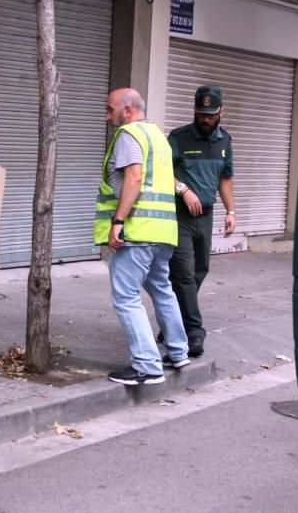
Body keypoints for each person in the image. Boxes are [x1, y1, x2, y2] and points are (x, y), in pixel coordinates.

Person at [95, 88, 190, 386]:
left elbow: (134, 178)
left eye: (110, 110)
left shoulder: (129, 135)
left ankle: (147, 366)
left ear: (127, 110)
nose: (107, 115)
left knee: (125, 296)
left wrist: (118, 221)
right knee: (162, 288)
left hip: (137, 232)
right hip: (163, 232)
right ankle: (178, 351)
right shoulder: (157, 136)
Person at [165, 85, 236, 358]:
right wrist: (183, 189)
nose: (205, 120)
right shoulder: (178, 138)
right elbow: (162, 172)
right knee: (183, 273)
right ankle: (194, 332)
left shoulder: (225, 141)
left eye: (210, 115)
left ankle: (174, 320)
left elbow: (225, 179)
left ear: (220, 112)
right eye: (200, 114)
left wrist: (231, 211)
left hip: (206, 216)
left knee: (200, 270)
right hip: (179, 215)